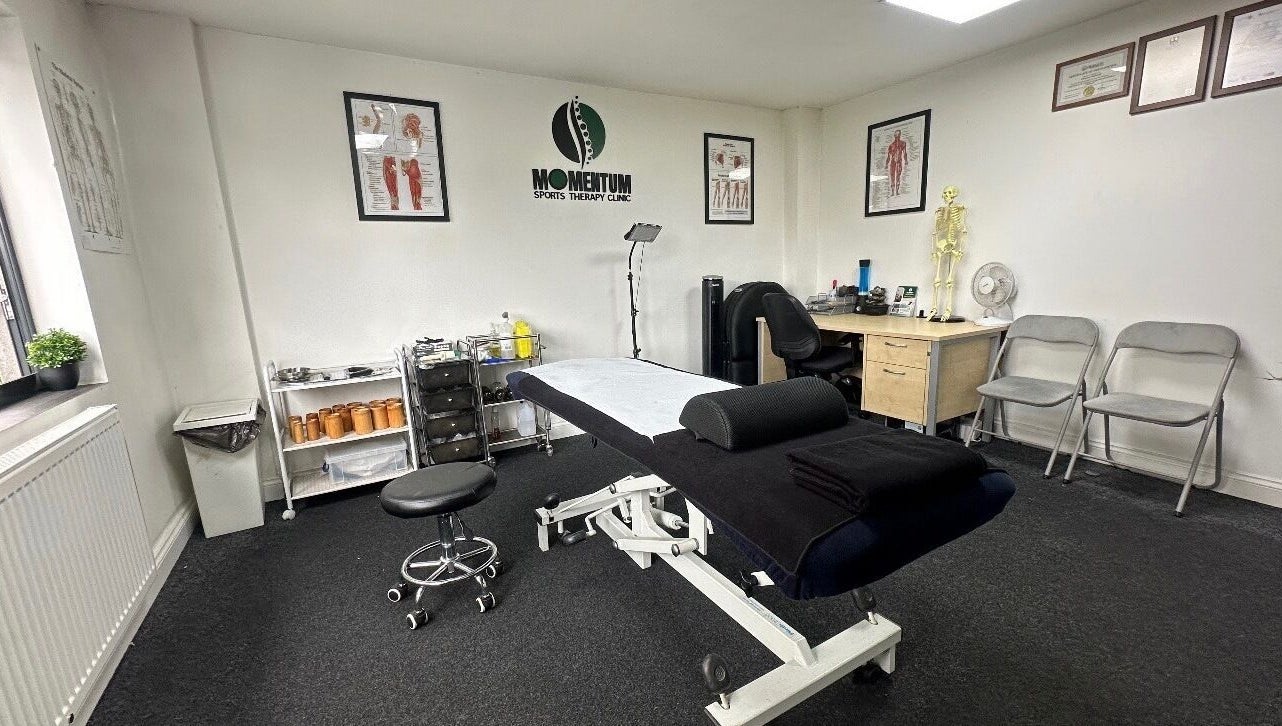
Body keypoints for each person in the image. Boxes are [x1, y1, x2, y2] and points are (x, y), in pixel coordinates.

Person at [885, 130, 908, 197]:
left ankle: (897, 191)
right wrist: (886, 164)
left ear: (900, 135)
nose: (897, 137)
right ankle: (892, 192)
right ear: (894, 136)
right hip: (892, 162)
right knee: (892, 176)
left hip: (899, 162)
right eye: (896, 135)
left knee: (898, 176)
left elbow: (905, 153)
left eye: (898, 135)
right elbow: (888, 156)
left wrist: (906, 160)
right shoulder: (891, 145)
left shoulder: (903, 143)